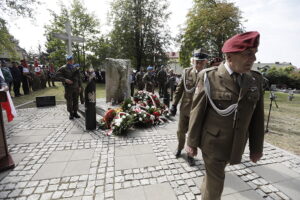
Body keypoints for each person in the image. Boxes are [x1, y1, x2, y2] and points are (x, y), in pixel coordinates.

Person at [186, 31, 265, 200]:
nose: (253, 59)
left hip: (236, 144)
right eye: (247, 54)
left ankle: (205, 189)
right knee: (216, 185)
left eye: (254, 54)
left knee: (211, 179)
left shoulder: (255, 80)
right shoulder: (209, 77)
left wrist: (256, 148)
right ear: (230, 57)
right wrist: (191, 142)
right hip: (213, 143)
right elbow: (196, 112)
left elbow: (257, 118)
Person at [171, 48, 209, 166]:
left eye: (201, 62)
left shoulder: (208, 74)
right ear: (193, 61)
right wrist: (173, 104)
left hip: (198, 111)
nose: (198, 64)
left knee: (193, 134)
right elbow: (179, 90)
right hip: (185, 108)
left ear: (205, 62)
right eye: (196, 62)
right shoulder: (187, 72)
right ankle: (179, 147)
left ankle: (190, 154)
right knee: (180, 131)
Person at [55, 55, 82, 120]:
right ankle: (71, 113)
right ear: (67, 61)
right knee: (69, 101)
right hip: (69, 88)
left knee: (76, 100)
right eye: (70, 60)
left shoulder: (75, 68)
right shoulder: (63, 68)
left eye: (72, 60)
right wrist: (65, 80)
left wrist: (80, 86)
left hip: (76, 87)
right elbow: (56, 76)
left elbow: (79, 77)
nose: (71, 61)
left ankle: (75, 112)